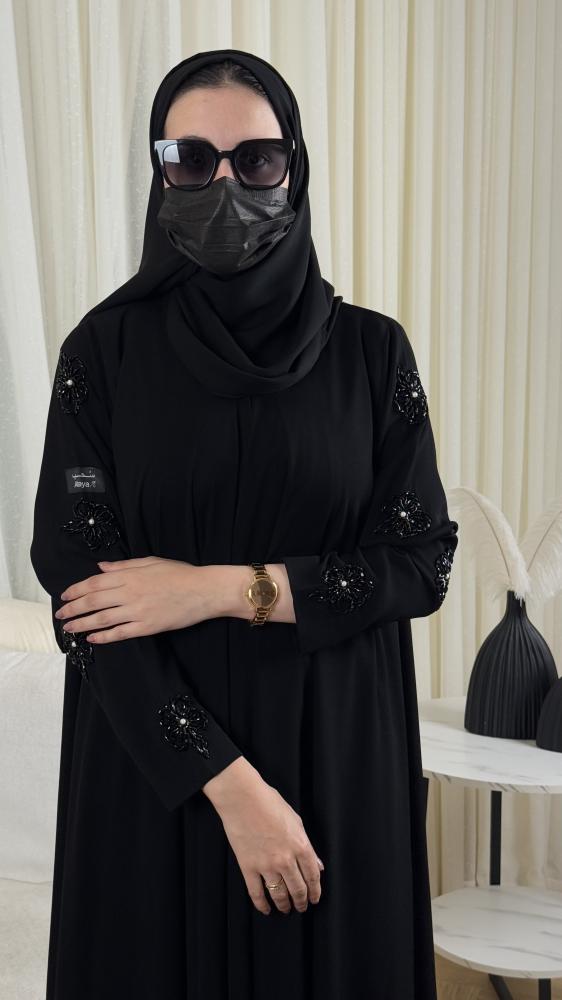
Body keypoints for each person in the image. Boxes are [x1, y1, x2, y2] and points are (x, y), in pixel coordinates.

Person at [29, 47, 459, 1000]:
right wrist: (228, 784)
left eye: (256, 159)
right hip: (158, 773)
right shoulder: (103, 353)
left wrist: (222, 589)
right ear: (159, 172)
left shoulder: (372, 353)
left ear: (293, 168)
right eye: (191, 159)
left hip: (334, 760)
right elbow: (82, 592)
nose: (224, 185)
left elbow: (421, 561)